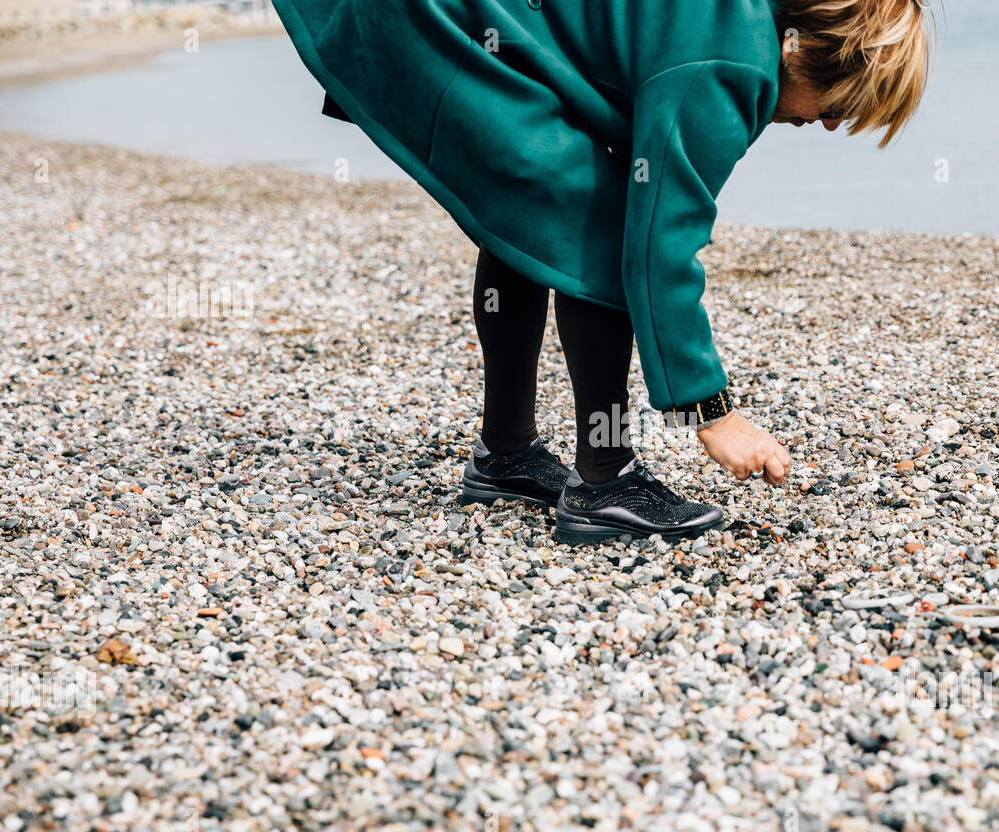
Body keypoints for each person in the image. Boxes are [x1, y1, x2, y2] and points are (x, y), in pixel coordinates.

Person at [273, 0, 934, 544]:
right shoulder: (732, 63)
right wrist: (712, 413)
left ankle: (506, 454)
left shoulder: (734, 24)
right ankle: (605, 480)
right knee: (606, 214)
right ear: (800, 49)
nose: (825, 125)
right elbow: (659, 245)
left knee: (540, 202)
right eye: (838, 107)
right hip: (430, 18)